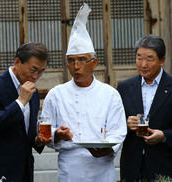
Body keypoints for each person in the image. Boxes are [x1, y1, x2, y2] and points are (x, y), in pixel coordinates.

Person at [40, 3, 127, 182]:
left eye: (81, 60)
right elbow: (45, 131)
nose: (76, 66)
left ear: (94, 63)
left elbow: (117, 132)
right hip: (70, 167)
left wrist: (108, 148)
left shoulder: (110, 94)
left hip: (102, 166)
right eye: (71, 61)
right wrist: (57, 134)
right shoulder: (56, 94)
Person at [0, 42, 51, 182]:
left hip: (24, 171)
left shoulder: (32, 92)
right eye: (33, 70)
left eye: (41, 72)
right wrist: (20, 102)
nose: (36, 77)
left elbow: (25, 131)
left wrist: (38, 140)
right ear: (17, 62)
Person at [117, 34, 172, 181]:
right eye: (139, 58)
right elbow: (113, 123)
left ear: (162, 60)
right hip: (132, 166)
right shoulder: (125, 87)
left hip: (165, 165)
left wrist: (164, 136)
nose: (143, 64)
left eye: (149, 59)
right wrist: (126, 123)